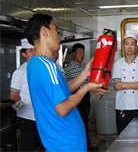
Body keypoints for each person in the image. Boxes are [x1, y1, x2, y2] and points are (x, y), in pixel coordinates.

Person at [25, 14, 107, 152]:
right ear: (44, 31)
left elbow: (61, 91)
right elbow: (63, 108)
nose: (59, 36)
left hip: (58, 142)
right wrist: (86, 88)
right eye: (56, 30)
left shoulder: (34, 64)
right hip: (67, 142)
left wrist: (84, 75)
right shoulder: (47, 66)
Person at [112, 31, 138, 134]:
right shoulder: (118, 64)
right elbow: (117, 86)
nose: (129, 47)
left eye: (132, 44)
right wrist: (136, 84)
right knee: (122, 134)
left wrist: (123, 84)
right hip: (122, 106)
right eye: (127, 44)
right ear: (123, 46)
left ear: (136, 46)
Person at [10, 39, 44, 152]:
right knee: (28, 146)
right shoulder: (20, 72)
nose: (34, 53)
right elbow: (13, 95)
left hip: (41, 115)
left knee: (42, 145)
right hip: (27, 117)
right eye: (30, 51)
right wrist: (24, 106)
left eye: (35, 50)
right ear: (24, 54)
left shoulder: (40, 69)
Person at [64, 43, 97, 151]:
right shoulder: (68, 68)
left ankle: (87, 145)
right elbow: (66, 86)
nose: (81, 55)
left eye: (83, 53)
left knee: (85, 121)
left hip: (85, 96)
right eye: (79, 53)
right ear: (73, 54)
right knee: (77, 121)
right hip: (74, 97)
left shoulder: (85, 67)